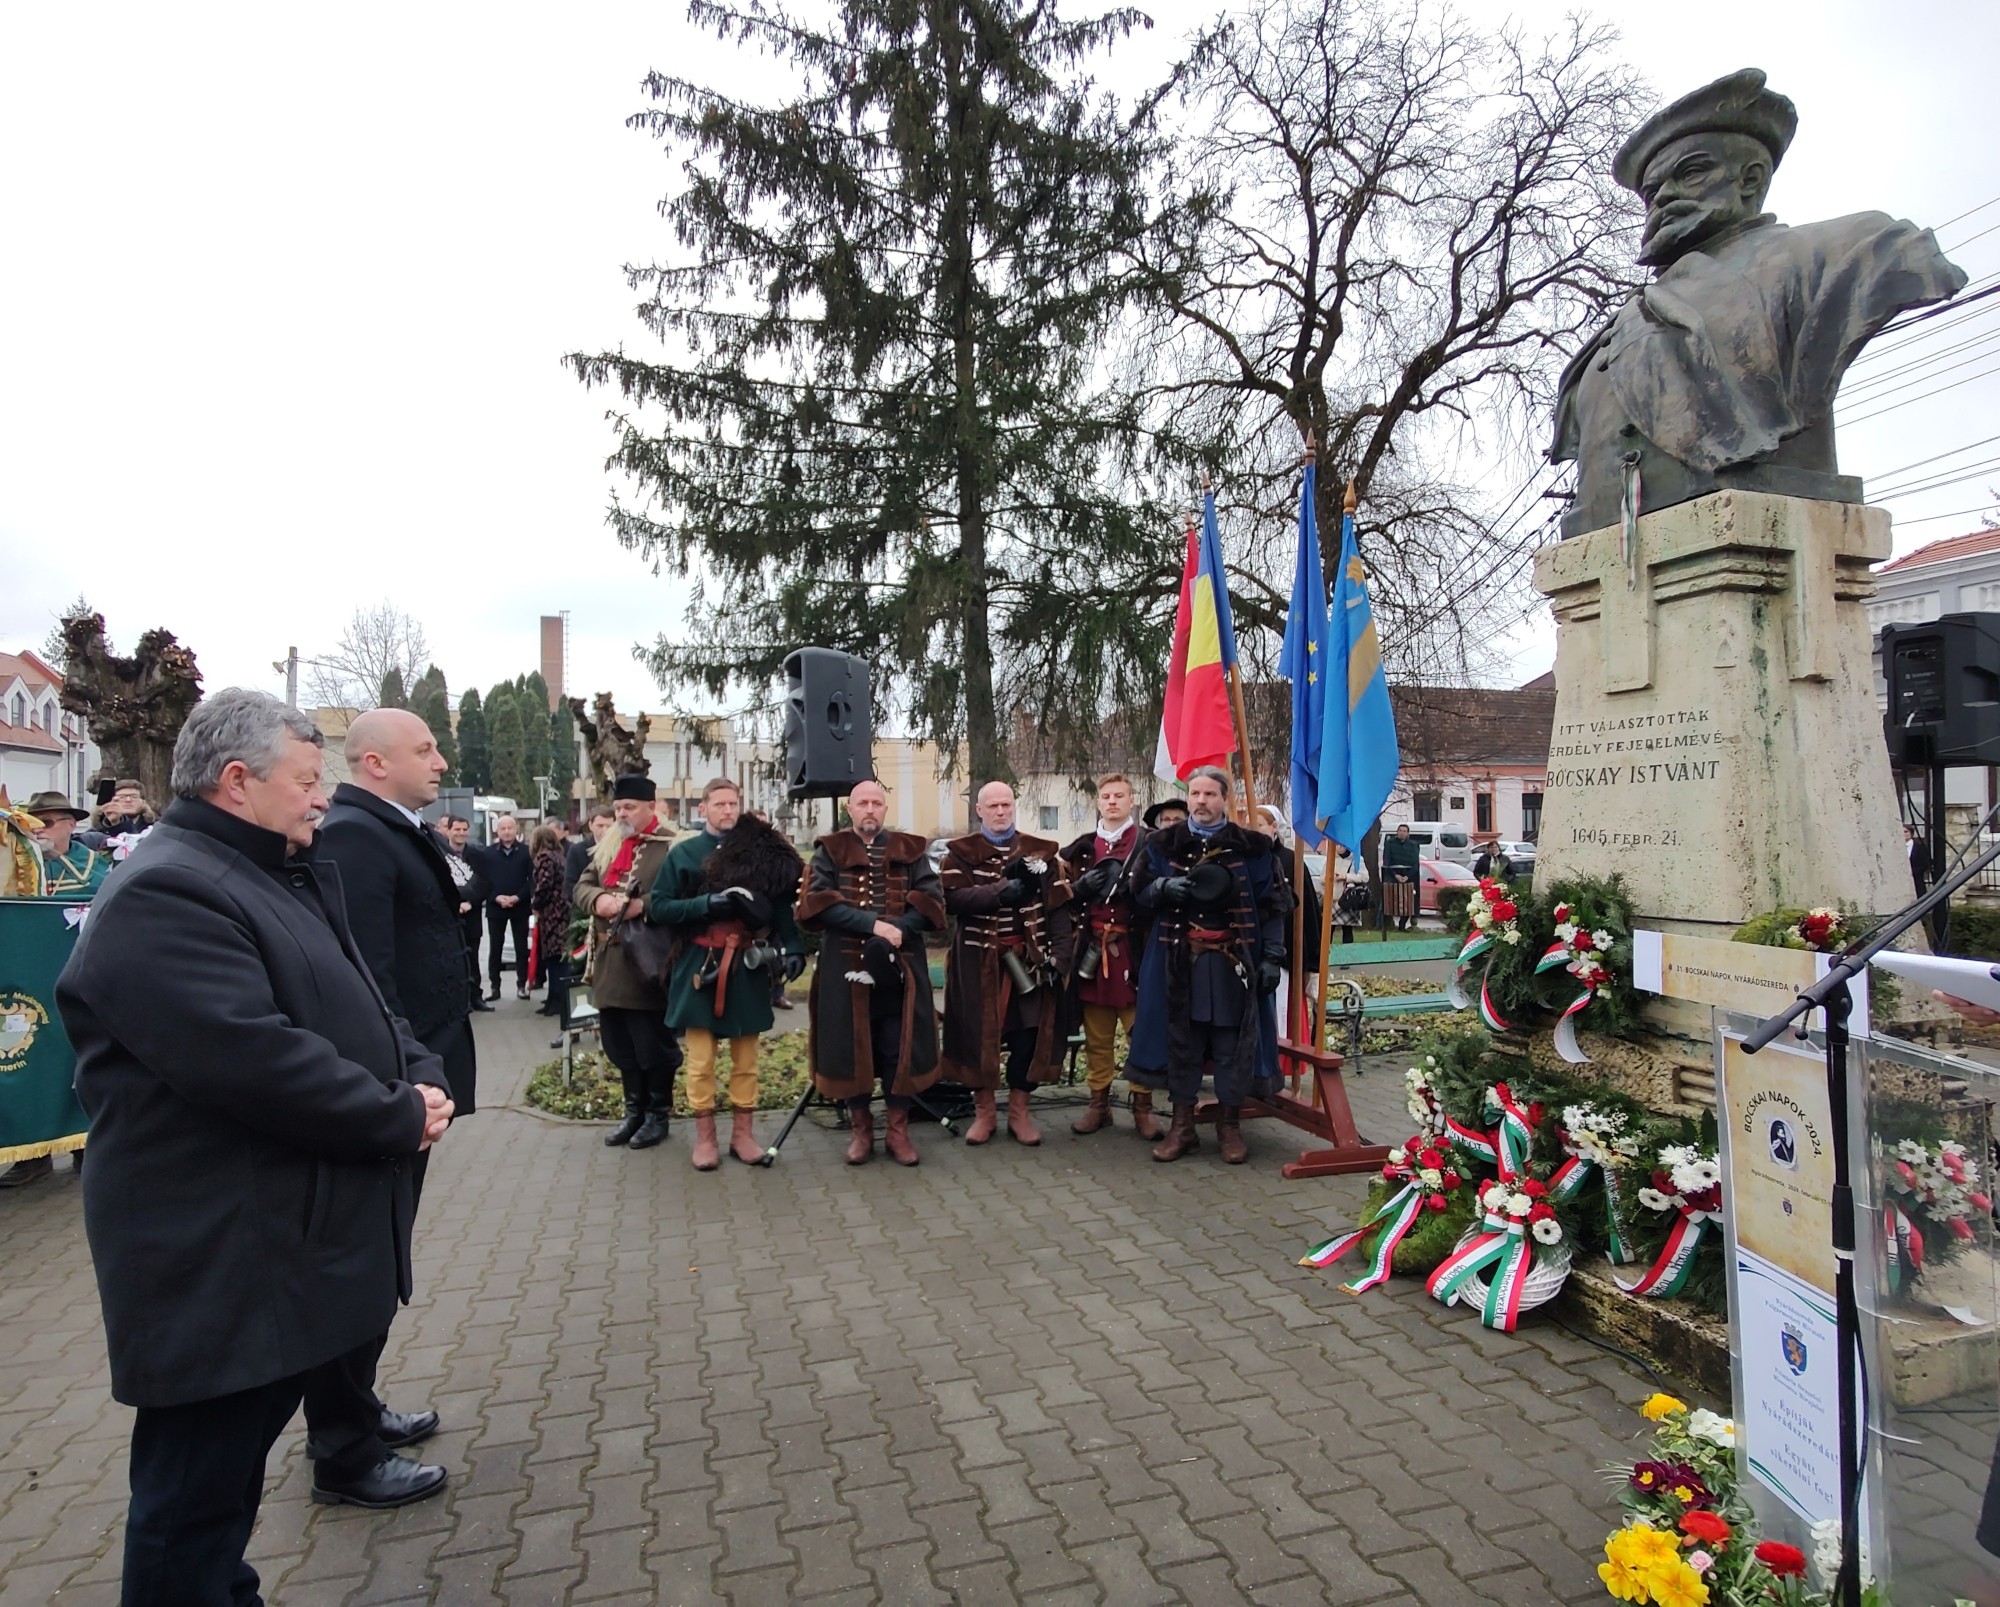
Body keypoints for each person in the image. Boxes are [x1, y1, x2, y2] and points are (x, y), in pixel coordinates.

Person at [56, 689, 455, 1603]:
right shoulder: (167, 891)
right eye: (308, 779)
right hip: (214, 1258)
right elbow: (255, 1060)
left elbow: (363, 997)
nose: (324, 797)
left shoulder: (270, 870)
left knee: (219, 1491)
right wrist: (396, 1113)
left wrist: (418, 1069)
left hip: (267, 1245)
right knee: (193, 1498)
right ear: (237, 781)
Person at [1551, 69, 1965, 539]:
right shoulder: (1613, 333)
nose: (1663, 197)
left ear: (1750, 180)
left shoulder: (1842, 251)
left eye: (1690, 172)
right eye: (1651, 192)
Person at [309, 706, 475, 1510]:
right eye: (425, 748)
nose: (439, 761)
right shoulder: (355, 836)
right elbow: (364, 981)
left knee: (381, 1261)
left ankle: (357, 1409)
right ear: (375, 762)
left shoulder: (387, 828)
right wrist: (401, 1084)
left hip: (414, 1080)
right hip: (391, 1088)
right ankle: (342, 1450)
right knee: (363, 1271)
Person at [1127, 766, 1289, 1164]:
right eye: (1195, 794)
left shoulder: (1253, 847)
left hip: (1234, 964)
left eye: (1210, 794)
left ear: (1224, 800)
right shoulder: (1162, 844)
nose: (1201, 801)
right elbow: (1137, 892)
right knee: (1183, 1043)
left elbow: (1273, 907)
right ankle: (1182, 1128)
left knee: (1230, 1044)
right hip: (1178, 962)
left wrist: (1272, 956)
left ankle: (1229, 1128)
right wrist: (1161, 887)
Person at [649, 779, 804, 1169]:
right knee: (701, 1060)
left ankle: (743, 1136)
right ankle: (705, 1140)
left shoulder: (760, 852)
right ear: (703, 808)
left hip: (747, 964)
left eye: (733, 804)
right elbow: (659, 907)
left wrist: (794, 946)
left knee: (746, 1060)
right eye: (719, 804)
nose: (727, 810)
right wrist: (706, 904)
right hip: (699, 963)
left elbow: (781, 905)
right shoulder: (684, 854)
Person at [797, 779, 945, 1165]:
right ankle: (861, 1130)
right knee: (852, 1049)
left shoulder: (910, 850)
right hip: (844, 970)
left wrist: (900, 930)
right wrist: (873, 925)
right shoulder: (829, 851)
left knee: (898, 1047)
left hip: (901, 969)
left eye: (876, 803)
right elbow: (817, 904)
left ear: (884, 809)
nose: (869, 809)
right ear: (850, 808)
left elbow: (931, 901)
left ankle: (898, 1131)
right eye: (862, 802)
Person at [939, 781, 1074, 1146]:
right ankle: (984, 1114)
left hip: (1029, 964)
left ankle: (1019, 1112)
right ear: (979, 810)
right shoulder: (959, 854)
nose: (1001, 811)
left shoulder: (1040, 853)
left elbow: (1059, 910)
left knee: (1029, 1035)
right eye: (993, 806)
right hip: (976, 964)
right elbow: (950, 900)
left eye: (1006, 804)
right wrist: (1000, 892)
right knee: (977, 1037)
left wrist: (1060, 958)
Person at [574, 776, 682, 1150]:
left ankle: (657, 1115)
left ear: (651, 807)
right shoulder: (610, 842)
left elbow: (683, 895)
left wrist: (642, 906)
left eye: (629, 807)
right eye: (618, 807)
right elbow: (582, 884)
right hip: (609, 963)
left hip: (647, 963)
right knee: (620, 1045)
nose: (621, 814)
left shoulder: (672, 845)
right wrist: (598, 899)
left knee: (652, 1046)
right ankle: (634, 1113)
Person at [1058, 774, 1159, 1139]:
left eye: (1119, 795)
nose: (1112, 801)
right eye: (1106, 796)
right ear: (1098, 802)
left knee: (1140, 1032)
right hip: (1092, 951)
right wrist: (1077, 889)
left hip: (1134, 951)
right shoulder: (1082, 848)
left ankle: (1143, 1106)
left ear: (1131, 800)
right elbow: (1061, 900)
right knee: (1097, 1036)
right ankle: (1098, 1105)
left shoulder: (1150, 844)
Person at [475, 814, 532, 1000]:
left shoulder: (526, 852)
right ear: (497, 831)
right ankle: (494, 987)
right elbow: (482, 880)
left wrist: (518, 897)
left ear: (516, 830)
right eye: (503, 828)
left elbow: (532, 880)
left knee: (521, 948)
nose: (507, 832)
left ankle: (522, 984)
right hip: (495, 906)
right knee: (495, 948)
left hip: (520, 906)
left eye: (510, 828)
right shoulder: (487, 853)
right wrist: (495, 897)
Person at [437, 815, 491, 1011]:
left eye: (464, 830)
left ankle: (476, 997)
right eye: (457, 829)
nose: (461, 833)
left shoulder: (478, 856)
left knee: (473, 959)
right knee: (452, 960)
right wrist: (455, 904)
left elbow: (485, 884)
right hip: (450, 916)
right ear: (449, 831)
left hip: (472, 917)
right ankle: (459, 1001)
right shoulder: (440, 854)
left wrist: (470, 902)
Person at [24, 790, 107, 900]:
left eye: (46, 822)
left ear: (71, 824)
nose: (37, 829)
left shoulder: (93, 865)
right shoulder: (17, 864)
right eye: (30, 823)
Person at [529, 822, 569, 1017]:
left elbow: (544, 884)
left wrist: (535, 904)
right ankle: (554, 998)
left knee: (554, 958)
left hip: (552, 913)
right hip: (562, 911)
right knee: (557, 957)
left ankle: (557, 1000)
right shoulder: (559, 856)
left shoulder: (543, 857)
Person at [565, 805, 614, 902]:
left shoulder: (621, 848)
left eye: (609, 826)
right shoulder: (577, 850)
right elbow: (570, 885)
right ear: (590, 825)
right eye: (600, 826)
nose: (605, 830)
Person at [1382, 824, 1420, 930]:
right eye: (1400, 830)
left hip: (1409, 876)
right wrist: (1395, 875)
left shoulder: (1413, 845)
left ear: (1407, 833)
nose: (1402, 833)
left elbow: (1415, 863)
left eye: (1404, 831)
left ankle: (1403, 925)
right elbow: (1387, 861)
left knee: (1409, 901)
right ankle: (1385, 923)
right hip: (1393, 874)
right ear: (1397, 832)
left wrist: (1407, 876)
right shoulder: (1390, 844)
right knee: (1390, 898)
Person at [1907, 823, 1932, 896]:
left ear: (1911, 833)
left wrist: (1913, 872)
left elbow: (1925, 863)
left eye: (1906, 832)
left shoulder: (1919, 847)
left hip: (1917, 880)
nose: (1903, 834)